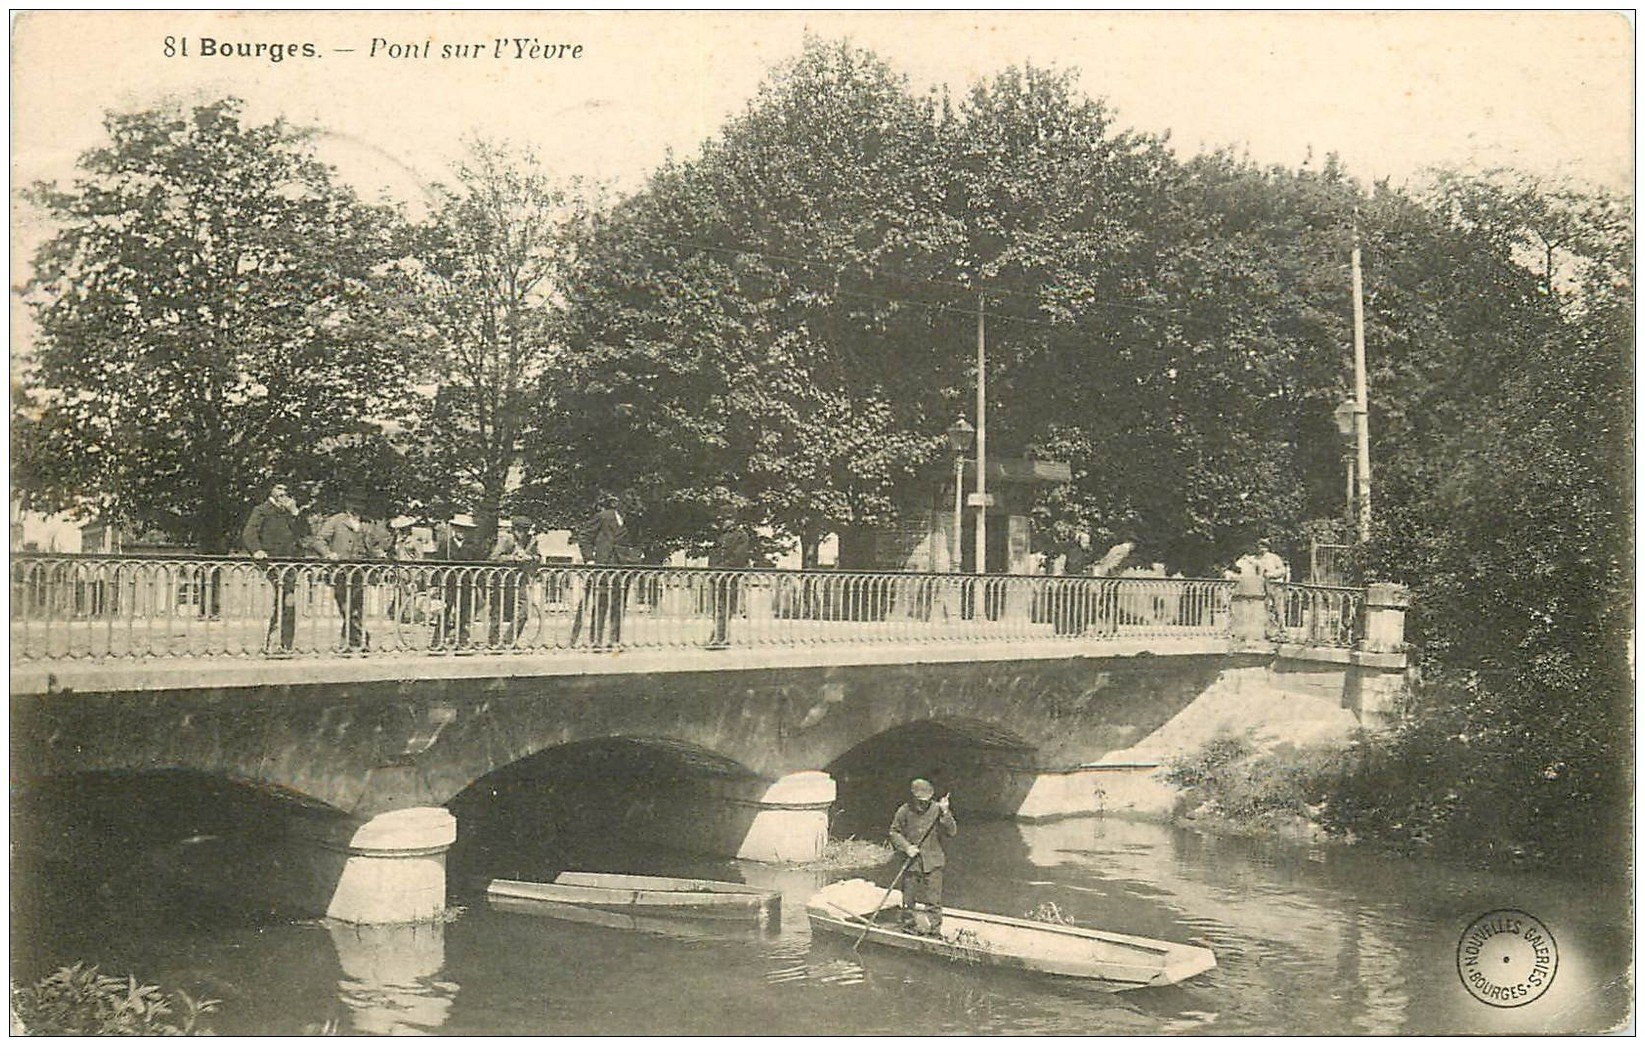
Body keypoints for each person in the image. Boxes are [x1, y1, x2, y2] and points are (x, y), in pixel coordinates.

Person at [242, 482, 309, 654]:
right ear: (271, 491)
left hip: (290, 563)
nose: (283, 493)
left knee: (288, 602)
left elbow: (305, 533)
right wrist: (257, 550)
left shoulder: (291, 512)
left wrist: (296, 513)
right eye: (279, 489)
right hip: (272, 562)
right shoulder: (262, 510)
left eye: (286, 490)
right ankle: (275, 642)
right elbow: (249, 533)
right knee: (284, 600)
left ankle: (284, 644)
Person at [888, 778, 957, 935]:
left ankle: (934, 931)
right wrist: (906, 847)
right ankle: (908, 928)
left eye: (927, 800)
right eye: (920, 801)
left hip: (933, 862)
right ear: (913, 797)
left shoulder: (938, 809)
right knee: (908, 899)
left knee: (934, 901)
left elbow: (952, 831)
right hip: (911, 862)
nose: (924, 804)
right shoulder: (904, 811)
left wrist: (946, 812)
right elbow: (894, 832)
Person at [313, 490, 379, 651]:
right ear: (348, 504)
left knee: (356, 607)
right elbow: (319, 540)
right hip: (340, 571)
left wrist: (378, 555)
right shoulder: (336, 520)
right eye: (356, 502)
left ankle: (348, 644)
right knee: (346, 607)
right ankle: (361, 639)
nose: (359, 506)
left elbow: (373, 545)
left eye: (362, 503)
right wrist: (328, 553)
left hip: (360, 571)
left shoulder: (367, 523)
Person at [571, 495, 636, 650]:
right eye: (625, 507)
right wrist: (590, 559)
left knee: (619, 605)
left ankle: (614, 640)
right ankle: (596, 640)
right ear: (619, 505)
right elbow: (584, 536)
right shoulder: (604, 517)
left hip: (623, 569)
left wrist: (633, 559)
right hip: (603, 567)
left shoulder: (632, 522)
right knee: (600, 604)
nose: (627, 511)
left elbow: (636, 542)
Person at [434, 513, 482, 649]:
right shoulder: (446, 546)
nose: (462, 532)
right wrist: (438, 584)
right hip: (449, 584)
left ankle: (461, 640)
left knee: (464, 612)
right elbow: (439, 565)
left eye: (465, 529)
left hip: (466, 584)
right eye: (459, 528)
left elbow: (477, 566)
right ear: (454, 529)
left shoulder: (473, 546)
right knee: (445, 611)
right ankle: (438, 641)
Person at [488, 517, 537, 646]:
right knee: (498, 611)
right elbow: (494, 558)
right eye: (520, 530)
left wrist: (530, 557)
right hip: (503, 579)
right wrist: (513, 558)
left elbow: (538, 557)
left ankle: (508, 640)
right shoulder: (506, 540)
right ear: (514, 530)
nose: (523, 534)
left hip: (520, 580)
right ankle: (493, 642)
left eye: (526, 530)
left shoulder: (531, 541)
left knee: (524, 611)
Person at [707, 515, 753, 648]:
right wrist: (712, 570)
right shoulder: (720, 536)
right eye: (721, 520)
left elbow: (738, 558)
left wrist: (720, 569)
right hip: (717, 577)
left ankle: (721, 637)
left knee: (727, 607)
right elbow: (714, 554)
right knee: (718, 607)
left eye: (725, 519)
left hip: (730, 577)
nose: (722, 522)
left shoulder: (741, 535)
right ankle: (718, 635)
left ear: (733, 520)